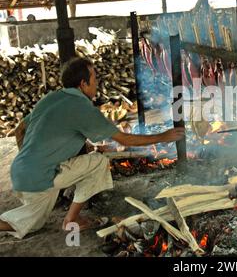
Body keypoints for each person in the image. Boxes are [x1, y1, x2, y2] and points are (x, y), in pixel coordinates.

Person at [0, 57, 185, 239]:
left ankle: (63, 214)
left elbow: (19, 130)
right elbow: (125, 139)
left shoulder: (52, 98)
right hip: (39, 178)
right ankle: (72, 220)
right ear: (83, 83)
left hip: (19, 171)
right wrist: (164, 136)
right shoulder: (83, 107)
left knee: (32, 221)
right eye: (94, 79)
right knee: (98, 162)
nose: (96, 83)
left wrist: (32, 158)